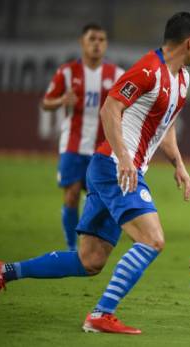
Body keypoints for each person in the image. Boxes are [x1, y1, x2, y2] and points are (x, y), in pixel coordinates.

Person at [0, 12, 190, 334]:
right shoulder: (148, 69)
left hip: (115, 168)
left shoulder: (182, 79)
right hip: (115, 168)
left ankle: (5, 271)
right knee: (153, 240)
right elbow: (111, 107)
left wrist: (179, 164)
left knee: (89, 260)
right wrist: (124, 156)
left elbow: (166, 126)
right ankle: (102, 313)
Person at [42, 24, 123, 251]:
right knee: (72, 194)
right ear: (82, 42)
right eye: (92, 39)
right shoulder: (67, 72)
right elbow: (46, 102)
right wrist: (60, 101)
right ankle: (71, 247)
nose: (97, 43)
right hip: (73, 143)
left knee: (99, 199)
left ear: (105, 44)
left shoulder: (117, 75)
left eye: (101, 39)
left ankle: (92, 241)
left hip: (103, 147)